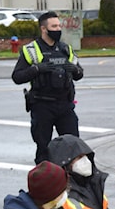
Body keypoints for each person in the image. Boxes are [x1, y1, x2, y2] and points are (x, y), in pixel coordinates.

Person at [11, 11, 84, 164]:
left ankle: (73, 184)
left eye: (58, 26)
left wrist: (75, 69)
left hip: (65, 105)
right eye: (54, 26)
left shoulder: (65, 49)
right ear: (44, 29)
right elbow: (17, 77)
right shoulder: (31, 50)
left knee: (73, 146)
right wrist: (36, 69)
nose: (58, 29)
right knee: (43, 148)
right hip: (42, 105)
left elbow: (79, 74)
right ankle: (44, 183)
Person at [47, 134, 111, 209]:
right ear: (65, 164)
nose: (86, 161)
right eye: (79, 157)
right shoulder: (60, 200)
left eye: (86, 155)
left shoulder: (94, 185)